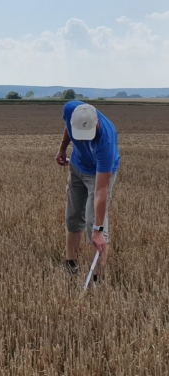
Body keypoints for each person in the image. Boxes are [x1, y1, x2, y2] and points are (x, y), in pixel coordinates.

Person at [55, 101, 120, 283]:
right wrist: (62, 148)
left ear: (96, 124)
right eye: (79, 135)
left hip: (97, 175)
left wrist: (97, 230)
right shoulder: (70, 109)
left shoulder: (106, 141)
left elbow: (101, 191)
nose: (82, 140)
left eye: (86, 135)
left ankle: (97, 278)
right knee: (72, 216)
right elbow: (68, 127)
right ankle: (71, 264)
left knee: (95, 223)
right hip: (76, 166)